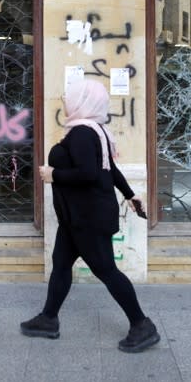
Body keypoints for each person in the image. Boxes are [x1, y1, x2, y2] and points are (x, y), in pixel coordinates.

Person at [20, 79, 160, 353]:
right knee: (61, 263)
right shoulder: (97, 131)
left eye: (68, 95)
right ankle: (48, 319)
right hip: (76, 218)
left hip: (87, 219)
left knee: (106, 269)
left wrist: (53, 174)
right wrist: (131, 194)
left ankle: (142, 325)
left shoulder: (84, 133)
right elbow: (110, 171)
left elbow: (89, 174)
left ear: (82, 101)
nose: (64, 98)